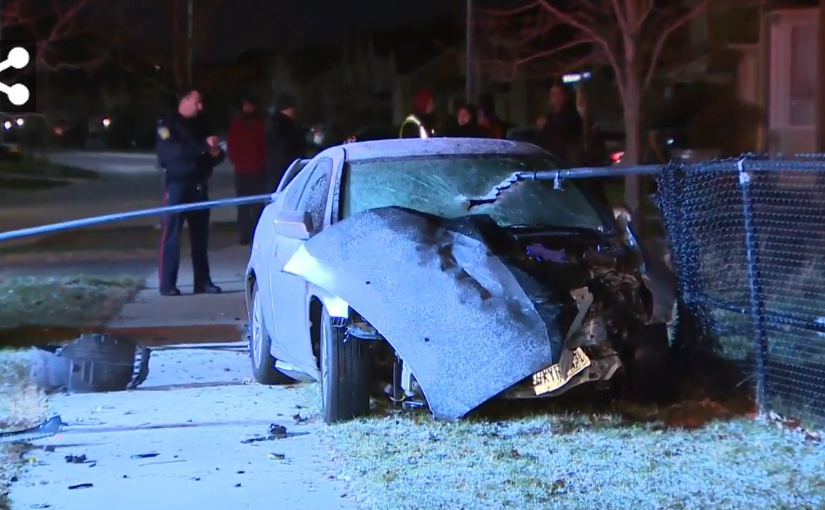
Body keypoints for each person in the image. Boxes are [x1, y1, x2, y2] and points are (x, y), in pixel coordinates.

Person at [156, 88, 225, 297]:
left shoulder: (202, 123)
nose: (201, 107)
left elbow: (214, 152)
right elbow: (173, 154)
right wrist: (203, 147)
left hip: (199, 184)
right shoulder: (167, 124)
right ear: (184, 101)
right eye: (197, 103)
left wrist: (214, 153)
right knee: (172, 235)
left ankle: (202, 281)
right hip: (177, 186)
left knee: (200, 237)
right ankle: (168, 283)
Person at [227, 95, 267, 245]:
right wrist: (236, 161)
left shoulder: (259, 123)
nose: (247, 108)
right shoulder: (239, 123)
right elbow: (232, 145)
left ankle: (256, 234)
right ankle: (245, 234)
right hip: (243, 170)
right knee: (244, 205)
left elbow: (264, 145)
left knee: (256, 205)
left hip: (256, 169)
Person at [535, 82, 583, 165]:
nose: (552, 97)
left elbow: (562, 131)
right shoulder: (550, 116)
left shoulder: (571, 115)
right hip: (551, 159)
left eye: (555, 94)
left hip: (565, 161)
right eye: (551, 94)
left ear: (563, 96)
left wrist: (545, 126)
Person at [265, 93, 305, 192]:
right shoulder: (288, 127)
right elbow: (292, 148)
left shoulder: (272, 124)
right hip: (289, 170)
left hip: (276, 171)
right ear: (291, 108)